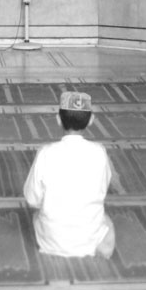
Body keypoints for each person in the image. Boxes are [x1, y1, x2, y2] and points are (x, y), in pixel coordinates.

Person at [23, 90, 115, 258]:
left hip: (51, 240)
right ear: (91, 120)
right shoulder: (99, 152)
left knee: (37, 215)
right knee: (107, 220)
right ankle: (93, 247)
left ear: (58, 120)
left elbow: (32, 199)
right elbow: (103, 189)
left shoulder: (45, 153)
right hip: (89, 236)